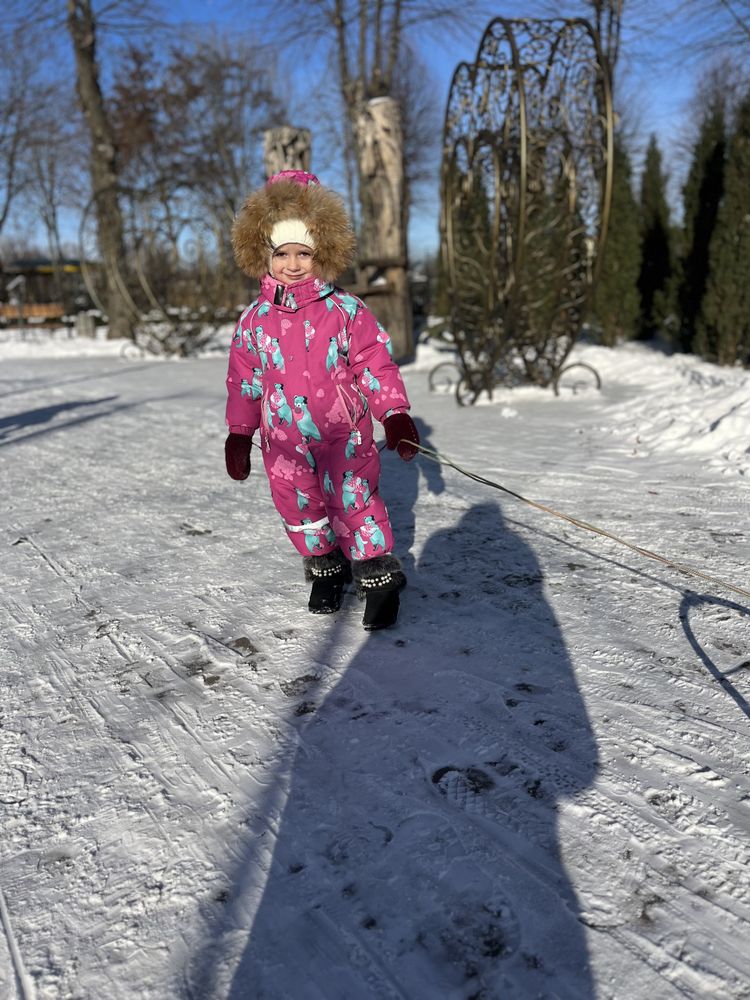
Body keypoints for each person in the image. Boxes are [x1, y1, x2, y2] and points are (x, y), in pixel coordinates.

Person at [224, 170, 420, 631]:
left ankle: (378, 578)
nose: (293, 264)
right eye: (282, 253)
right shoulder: (253, 321)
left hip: (342, 435)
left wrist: (394, 414)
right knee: (300, 506)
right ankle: (327, 568)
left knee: (355, 503)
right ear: (264, 256)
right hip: (284, 441)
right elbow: (245, 380)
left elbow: (374, 363)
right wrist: (239, 432)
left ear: (322, 254)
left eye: (304, 253)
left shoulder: (346, 311)